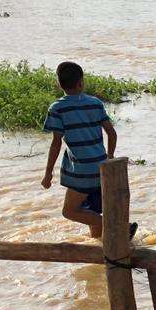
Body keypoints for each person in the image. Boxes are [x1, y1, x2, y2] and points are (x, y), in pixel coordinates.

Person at [40, 61, 125, 239]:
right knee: (90, 215)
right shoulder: (95, 103)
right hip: (101, 168)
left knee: (69, 211)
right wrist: (109, 158)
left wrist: (48, 173)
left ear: (59, 84)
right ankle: (99, 251)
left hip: (81, 172)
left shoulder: (57, 108)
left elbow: (56, 144)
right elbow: (112, 134)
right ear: (81, 83)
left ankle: (116, 226)